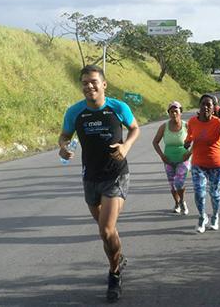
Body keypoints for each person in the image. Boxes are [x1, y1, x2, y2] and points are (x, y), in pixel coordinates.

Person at [59, 65, 140, 302]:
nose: (89, 86)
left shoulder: (118, 107)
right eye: (84, 83)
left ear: (104, 84)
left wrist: (125, 147)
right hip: (90, 177)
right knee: (107, 233)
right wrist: (63, 147)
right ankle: (118, 257)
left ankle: (114, 274)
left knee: (105, 229)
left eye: (93, 81)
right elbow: (65, 136)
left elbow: (135, 128)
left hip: (115, 175)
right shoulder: (75, 112)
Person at [184, 94, 220, 233]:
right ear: (199, 106)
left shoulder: (219, 123)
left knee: (214, 193)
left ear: (213, 109)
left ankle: (215, 216)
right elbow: (189, 139)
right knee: (199, 193)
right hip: (198, 163)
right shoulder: (193, 122)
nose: (205, 107)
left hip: (216, 164)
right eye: (203, 104)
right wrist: (186, 143)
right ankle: (202, 217)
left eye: (209, 105)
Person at [152, 101, 191, 215]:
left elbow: (196, 140)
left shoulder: (187, 126)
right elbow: (155, 142)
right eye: (171, 111)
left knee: (179, 183)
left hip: (183, 159)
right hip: (168, 160)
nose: (174, 114)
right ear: (168, 113)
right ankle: (177, 203)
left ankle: (183, 201)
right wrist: (162, 156)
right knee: (172, 185)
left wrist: (189, 153)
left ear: (181, 112)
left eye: (176, 111)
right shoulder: (164, 127)